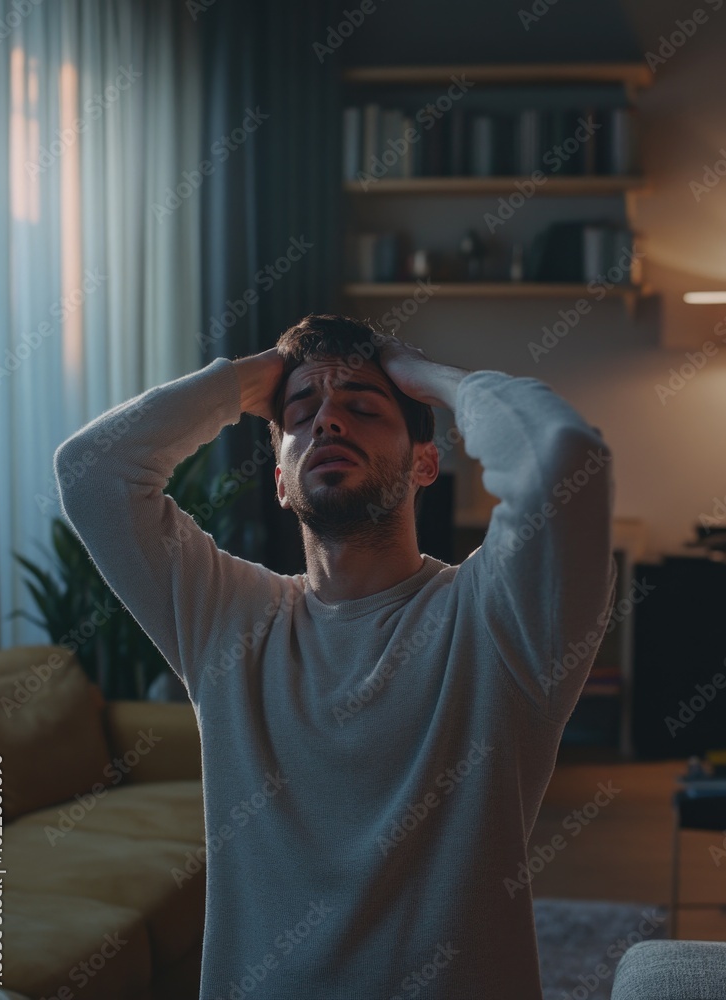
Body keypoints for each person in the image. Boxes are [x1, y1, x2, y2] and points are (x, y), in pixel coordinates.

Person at [54, 312, 617, 1000]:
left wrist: (426, 377)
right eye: (301, 413)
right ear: (282, 484)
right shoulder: (227, 620)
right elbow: (91, 473)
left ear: (424, 462)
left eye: (362, 408)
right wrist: (247, 379)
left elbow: (564, 457)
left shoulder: (497, 618)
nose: (327, 422)